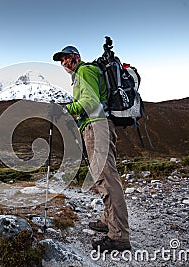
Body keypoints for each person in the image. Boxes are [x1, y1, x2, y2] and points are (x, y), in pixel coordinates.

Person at [52, 45, 131, 252]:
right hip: (96, 126)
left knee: (106, 178)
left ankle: (119, 237)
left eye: (67, 58)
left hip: (97, 126)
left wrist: (65, 109)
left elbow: (90, 102)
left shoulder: (85, 71)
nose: (64, 63)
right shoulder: (83, 74)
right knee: (103, 176)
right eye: (62, 61)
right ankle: (108, 221)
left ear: (76, 57)